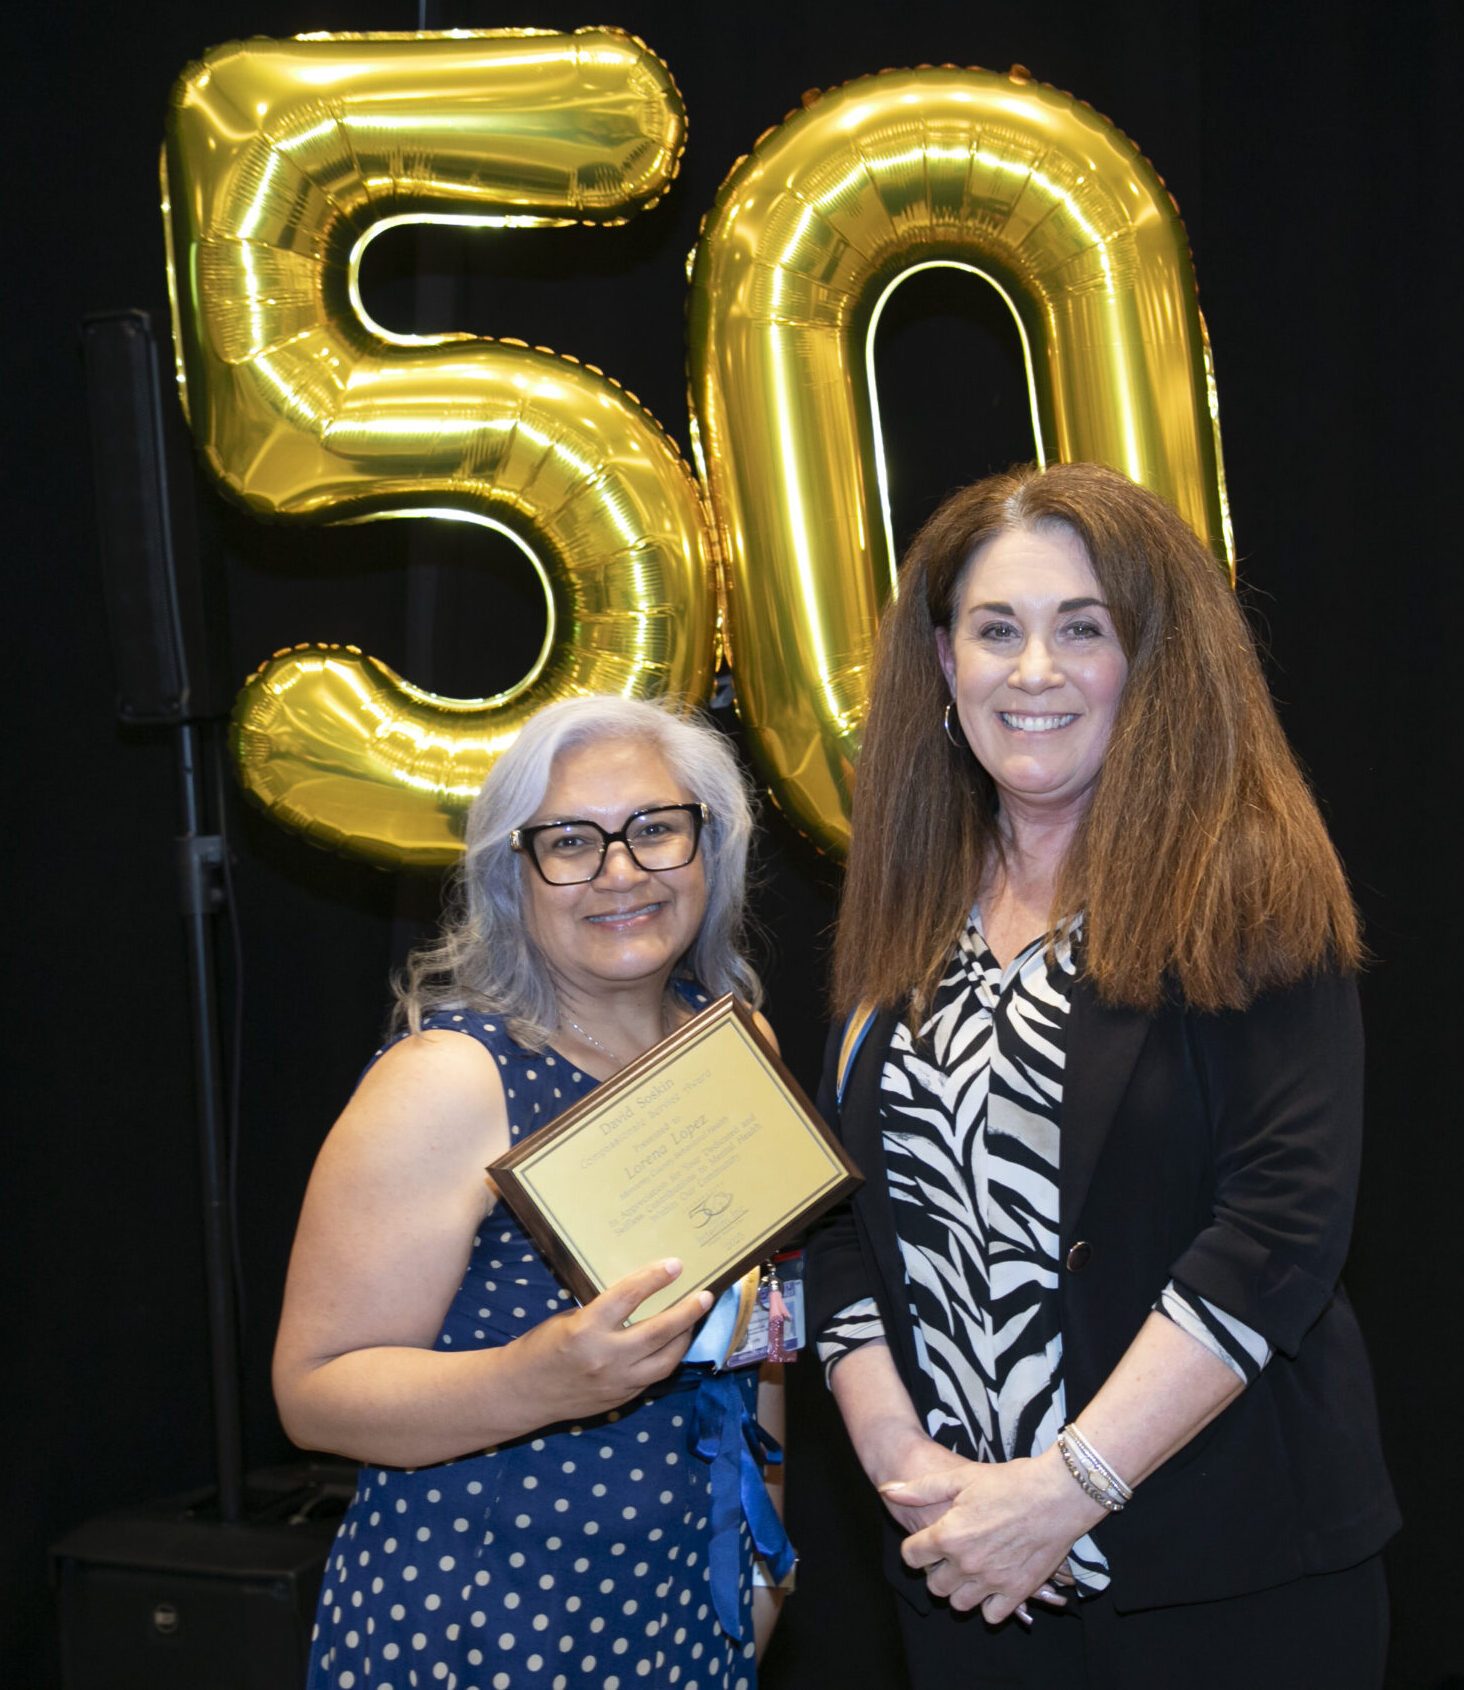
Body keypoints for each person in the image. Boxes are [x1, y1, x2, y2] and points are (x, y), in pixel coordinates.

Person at [808, 463, 1399, 1689]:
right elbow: (840, 1228)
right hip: (966, 1578)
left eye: (1084, 628)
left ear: (1155, 658)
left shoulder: (1241, 883)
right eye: (995, 629)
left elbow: (1278, 1232)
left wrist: (1064, 1492)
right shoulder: (910, 905)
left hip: (1222, 1583)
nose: (1035, 672)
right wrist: (923, 1489)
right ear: (941, 660)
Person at [274, 695, 790, 1690]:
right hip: (482, 1620)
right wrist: (538, 1380)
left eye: (654, 828)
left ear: (706, 846)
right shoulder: (452, 1078)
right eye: (569, 842)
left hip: (684, 1610)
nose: (620, 870)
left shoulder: (735, 1045)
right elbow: (312, 1393)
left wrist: (764, 1566)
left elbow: (761, 1338)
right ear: (511, 875)